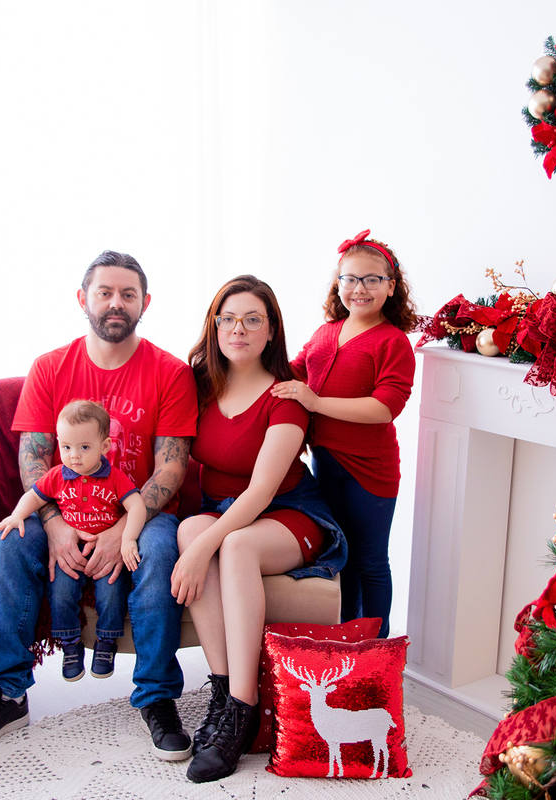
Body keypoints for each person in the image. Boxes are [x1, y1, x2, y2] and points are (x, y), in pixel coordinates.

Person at [0, 251, 199, 762]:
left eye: (128, 294)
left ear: (145, 303)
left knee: (158, 554)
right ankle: (10, 692)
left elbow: (170, 470)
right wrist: (52, 523)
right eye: (105, 292)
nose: (116, 303)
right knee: (8, 543)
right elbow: (34, 458)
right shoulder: (50, 368)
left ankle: (156, 696)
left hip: (142, 515)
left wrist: (123, 530)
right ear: (83, 299)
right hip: (61, 510)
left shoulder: (171, 372)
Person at [177, 275, 345, 783]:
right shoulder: (201, 383)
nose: (239, 329)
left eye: (253, 320)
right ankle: (223, 688)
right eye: (228, 318)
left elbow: (260, 491)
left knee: (234, 545)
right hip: (222, 507)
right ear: (215, 325)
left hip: (288, 510)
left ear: (271, 330)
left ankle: (242, 708)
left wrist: (203, 547)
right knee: (189, 533)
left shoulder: (285, 394)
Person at [271, 230, 416, 639]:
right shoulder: (326, 332)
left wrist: (315, 402)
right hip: (326, 462)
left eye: (372, 279)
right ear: (338, 284)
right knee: (342, 555)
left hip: (369, 470)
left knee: (370, 560)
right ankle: (346, 637)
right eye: (350, 279)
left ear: (391, 286)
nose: (360, 289)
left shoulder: (393, 342)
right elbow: (294, 371)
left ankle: (377, 647)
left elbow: (384, 407)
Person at [0, 400, 144, 683]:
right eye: (66, 447)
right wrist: (17, 516)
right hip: (70, 550)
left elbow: (137, 506)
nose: (74, 456)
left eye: (84, 447)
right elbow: (33, 497)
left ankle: (107, 641)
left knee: (112, 591)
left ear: (104, 446)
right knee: (60, 591)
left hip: (103, 550)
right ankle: (70, 643)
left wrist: (128, 538)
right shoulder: (57, 476)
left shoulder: (115, 478)